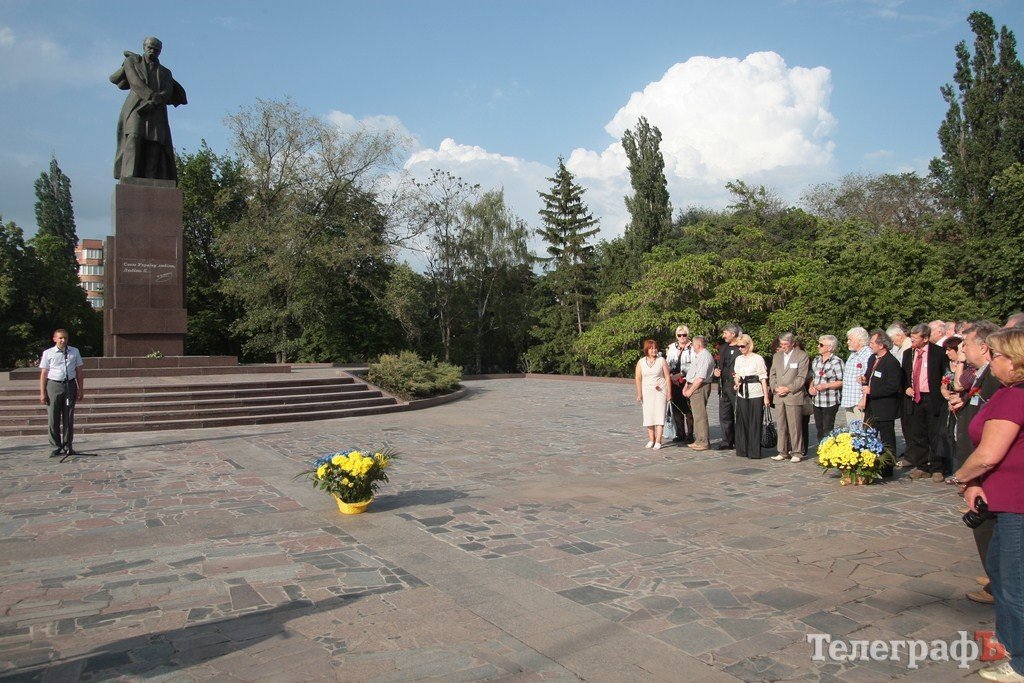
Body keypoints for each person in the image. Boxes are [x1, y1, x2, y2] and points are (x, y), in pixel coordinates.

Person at [950, 328, 1024, 683]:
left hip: (1016, 502)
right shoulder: (1007, 392)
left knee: (1013, 582)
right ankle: (1012, 640)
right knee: (1000, 570)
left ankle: (1021, 661)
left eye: (995, 354)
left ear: (1013, 361)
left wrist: (962, 478)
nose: (990, 359)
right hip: (1005, 499)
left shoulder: (1014, 398)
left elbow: (989, 454)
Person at [951, 322, 1003, 606]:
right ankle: (994, 574)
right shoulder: (983, 374)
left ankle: (997, 583)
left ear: (982, 347)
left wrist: (967, 475)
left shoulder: (995, 379)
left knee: (987, 525)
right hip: (976, 459)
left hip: (986, 468)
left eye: (966, 345)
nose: (962, 350)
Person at [111, 36, 187, 181]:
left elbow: (168, 90)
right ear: (144, 47)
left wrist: (158, 100)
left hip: (157, 112)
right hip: (136, 109)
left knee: (155, 143)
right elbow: (135, 81)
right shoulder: (132, 61)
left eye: (156, 50)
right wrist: (152, 96)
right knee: (133, 137)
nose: (152, 51)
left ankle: (152, 178)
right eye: (149, 48)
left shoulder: (165, 72)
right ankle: (129, 176)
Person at [903, 323, 950, 482]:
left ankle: (937, 467)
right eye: (911, 337)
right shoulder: (908, 353)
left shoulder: (938, 352)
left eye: (915, 338)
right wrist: (907, 388)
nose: (912, 341)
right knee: (918, 433)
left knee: (935, 433)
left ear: (926, 338)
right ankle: (922, 466)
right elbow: (904, 376)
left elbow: (946, 374)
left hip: (933, 397)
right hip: (915, 398)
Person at [38, 329, 85, 456]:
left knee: (68, 417)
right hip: (54, 385)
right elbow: (44, 373)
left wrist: (81, 389)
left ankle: (68, 445)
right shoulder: (48, 353)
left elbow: (79, 372)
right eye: (60, 338)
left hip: (70, 385)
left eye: (65, 338)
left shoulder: (74, 351)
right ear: (54, 339)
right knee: (53, 417)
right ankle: (55, 446)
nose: (63, 340)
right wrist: (42, 392)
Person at [859, 330, 901, 466]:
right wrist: (864, 379)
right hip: (871, 406)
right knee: (867, 435)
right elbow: (869, 375)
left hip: (884, 407)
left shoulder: (891, 362)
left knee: (886, 438)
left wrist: (872, 390)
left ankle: (888, 466)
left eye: (872, 343)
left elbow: (893, 386)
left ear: (881, 345)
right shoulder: (872, 358)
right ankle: (869, 463)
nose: (870, 345)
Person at [769, 332, 810, 463]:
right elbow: (772, 374)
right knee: (781, 424)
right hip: (779, 395)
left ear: (792, 343)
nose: (783, 347)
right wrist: (775, 388)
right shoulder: (777, 356)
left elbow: (802, 377)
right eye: (781, 344)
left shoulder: (801, 356)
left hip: (793, 394)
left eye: (786, 344)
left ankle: (797, 451)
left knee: (795, 425)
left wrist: (788, 388)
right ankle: (782, 450)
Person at [733, 334, 770, 459]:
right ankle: (742, 449)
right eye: (739, 346)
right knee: (742, 421)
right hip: (742, 392)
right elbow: (737, 374)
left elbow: (763, 378)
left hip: (756, 392)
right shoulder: (739, 359)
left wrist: (766, 397)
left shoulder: (758, 358)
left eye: (742, 346)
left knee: (755, 421)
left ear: (749, 345)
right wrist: (737, 382)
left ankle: (754, 451)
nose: (740, 349)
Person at [635, 339, 671, 449]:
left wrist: (669, 392)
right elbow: (638, 378)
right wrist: (639, 393)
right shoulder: (641, 362)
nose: (654, 350)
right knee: (648, 415)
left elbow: (667, 377)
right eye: (651, 348)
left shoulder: (661, 360)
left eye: (655, 348)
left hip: (660, 391)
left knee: (659, 415)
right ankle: (651, 439)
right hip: (647, 391)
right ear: (647, 350)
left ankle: (659, 440)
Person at [808, 334, 844, 444]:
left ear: (829, 347)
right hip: (817, 400)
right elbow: (813, 377)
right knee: (819, 428)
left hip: (830, 400)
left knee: (828, 428)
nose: (818, 346)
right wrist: (811, 387)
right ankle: (822, 449)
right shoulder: (816, 360)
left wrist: (826, 386)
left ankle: (829, 451)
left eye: (821, 344)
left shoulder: (836, 361)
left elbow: (842, 381)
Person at [682, 335, 715, 451]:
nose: (691, 346)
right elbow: (692, 373)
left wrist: (691, 390)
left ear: (698, 345)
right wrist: (686, 386)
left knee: (700, 415)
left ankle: (704, 441)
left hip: (700, 387)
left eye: (692, 345)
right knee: (696, 414)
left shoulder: (705, 357)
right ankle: (699, 440)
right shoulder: (699, 356)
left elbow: (700, 377)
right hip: (694, 386)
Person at [714, 324, 743, 450]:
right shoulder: (723, 348)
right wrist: (716, 372)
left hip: (735, 385)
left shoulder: (741, 347)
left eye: (725, 333)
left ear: (733, 334)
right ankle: (726, 440)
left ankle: (739, 440)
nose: (723, 336)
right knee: (724, 414)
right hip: (723, 384)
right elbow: (719, 364)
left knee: (737, 413)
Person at [665, 326, 694, 443]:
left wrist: (682, 375)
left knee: (688, 408)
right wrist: (670, 377)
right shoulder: (672, 347)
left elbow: (694, 365)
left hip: (686, 379)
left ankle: (690, 434)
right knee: (676, 408)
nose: (682, 337)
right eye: (679, 335)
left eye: (684, 335)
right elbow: (667, 363)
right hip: (673, 380)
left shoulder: (692, 348)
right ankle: (680, 433)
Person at [841, 327, 872, 427]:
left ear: (860, 340)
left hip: (859, 400)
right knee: (852, 432)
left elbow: (869, 379)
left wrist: (864, 398)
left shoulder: (867, 354)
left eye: (850, 339)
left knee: (861, 433)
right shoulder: (853, 354)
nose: (847, 342)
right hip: (849, 399)